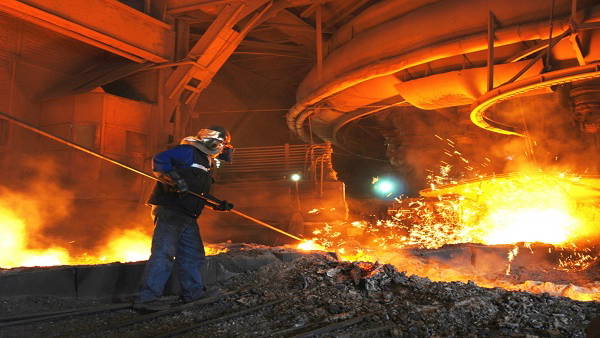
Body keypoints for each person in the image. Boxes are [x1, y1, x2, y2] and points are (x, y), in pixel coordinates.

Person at [135, 126, 234, 310]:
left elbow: (197, 193)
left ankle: (193, 293)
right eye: (222, 144)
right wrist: (173, 179)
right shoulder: (189, 151)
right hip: (171, 210)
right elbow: (160, 159)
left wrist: (216, 203)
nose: (223, 148)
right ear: (210, 140)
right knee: (163, 254)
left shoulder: (206, 162)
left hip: (187, 214)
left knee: (193, 255)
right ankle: (146, 299)